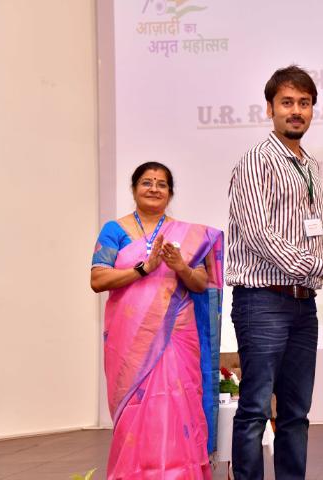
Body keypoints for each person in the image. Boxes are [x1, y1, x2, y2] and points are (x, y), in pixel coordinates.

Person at [226, 65, 323, 480]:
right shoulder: (256, 161)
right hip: (262, 301)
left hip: (303, 304)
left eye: (304, 103)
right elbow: (259, 236)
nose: (296, 111)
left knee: (297, 413)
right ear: (270, 109)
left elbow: (300, 228)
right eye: (287, 102)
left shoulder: (309, 164)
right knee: (254, 409)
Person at [91, 162, 224, 479]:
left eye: (161, 184)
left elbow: (200, 284)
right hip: (129, 340)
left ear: (170, 193)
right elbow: (98, 279)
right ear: (134, 188)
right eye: (147, 182)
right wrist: (143, 269)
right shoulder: (114, 231)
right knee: (137, 410)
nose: (154, 189)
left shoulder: (187, 236)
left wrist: (181, 266)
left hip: (177, 334)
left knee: (178, 402)